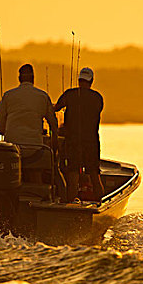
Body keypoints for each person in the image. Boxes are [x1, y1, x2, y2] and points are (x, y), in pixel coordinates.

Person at [0, 64, 58, 183]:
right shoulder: (42, 96)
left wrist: (7, 132)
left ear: (19, 78)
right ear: (33, 78)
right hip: (34, 148)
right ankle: (38, 190)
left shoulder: (8, 95)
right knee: (37, 169)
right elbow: (53, 124)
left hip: (12, 148)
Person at [54, 67, 104, 202]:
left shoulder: (69, 94)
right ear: (91, 81)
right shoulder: (98, 98)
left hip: (73, 142)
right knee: (94, 174)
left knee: (73, 174)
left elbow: (56, 108)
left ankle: (70, 204)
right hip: (91, 142)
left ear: (79, 80)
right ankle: (101, 203)